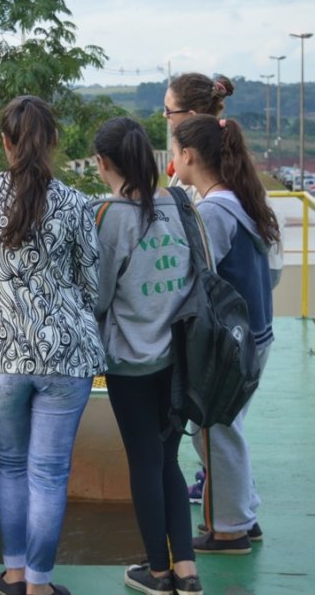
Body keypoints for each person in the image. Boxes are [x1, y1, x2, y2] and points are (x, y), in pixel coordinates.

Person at [0, 96, 105, 595]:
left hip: (1, 354)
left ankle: (15, 573)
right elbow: (93, 286)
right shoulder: (76, 203)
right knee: (48, 472)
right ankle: (40, 585)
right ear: (53, 144)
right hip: (67, 354)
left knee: (10, 462)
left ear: (5, 142)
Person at [91, 116, 202, 595]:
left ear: (103, 163)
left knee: (143, 462)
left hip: (131, 363)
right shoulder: (180, 204)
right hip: (181, 361)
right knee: (168, 460)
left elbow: (98, 297)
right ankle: (187, 571)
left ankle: (157, 571)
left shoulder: (111, 216)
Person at [171, 115, 278, 555]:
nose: (173, 162)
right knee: (223, 428)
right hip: (255, 336)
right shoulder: (239, 200)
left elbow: (198, 278)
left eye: (175, 153)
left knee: (215, 430)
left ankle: (230, 528)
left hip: (232, 344)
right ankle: (243, 514)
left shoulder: (213, 211)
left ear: (189, 157)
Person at [163, 73, 235, 189]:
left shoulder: (198, 178)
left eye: (168, 110)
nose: (164, 115)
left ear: (191, 117)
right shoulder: (226, 160)